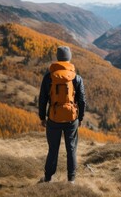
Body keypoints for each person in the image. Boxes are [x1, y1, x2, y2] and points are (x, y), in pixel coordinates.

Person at [38, 46, 86, 184]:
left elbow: (43, 99)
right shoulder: (76, 78)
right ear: (69, 58)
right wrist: (80, 117)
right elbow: (82, 99)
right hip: (72, 119)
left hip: (53, 118)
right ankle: (71, 179)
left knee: (53, 148)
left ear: (58, 58)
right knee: (71, 148)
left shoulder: (49, 77)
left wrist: (42, 117)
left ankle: (48, 178)